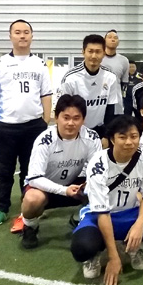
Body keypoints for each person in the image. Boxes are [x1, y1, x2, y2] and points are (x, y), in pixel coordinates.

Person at [70, 116, 143, 285]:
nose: (129, 142)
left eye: (134, 136)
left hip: (131, 213)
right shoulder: (98, 164)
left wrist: (139, 224)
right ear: (112, 139)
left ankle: (133, 248)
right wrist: (113, 258)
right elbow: (102, 212)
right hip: (99, 216)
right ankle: (95, 256)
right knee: (82, 248)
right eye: (122, 137)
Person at [0, 19, 52, 227]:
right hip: (6, 127)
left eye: (26, 32)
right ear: (10, 36)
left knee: (30, 170)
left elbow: (46, 94)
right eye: (17, 32)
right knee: (4, 170)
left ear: (32, 36)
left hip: (34, 126)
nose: (22, 36)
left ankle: (27, 207)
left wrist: (45, 121)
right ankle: (1, 208)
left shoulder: (40, 64)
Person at [20, 94, 102, 249]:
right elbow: (34, 178)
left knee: (101, 187)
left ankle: (82, 218)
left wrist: (87, 186)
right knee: (32, 199)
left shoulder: (92, 138)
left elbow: (98, 172)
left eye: (76, 118)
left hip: (72, 185)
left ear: (83, 120)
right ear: (56, 118)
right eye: (66, 117)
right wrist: (64, 190)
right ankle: (30, 226)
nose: (71, 123)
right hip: (45, 189)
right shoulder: (44, 140)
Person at [60, 34, 122, 139]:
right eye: (90, 51)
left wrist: (106, 136)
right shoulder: (70, 78)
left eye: (98, 52)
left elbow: (110, 110)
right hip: (76, 130)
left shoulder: (110, 77)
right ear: (83, 52)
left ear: (104, 53)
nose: (94, 56)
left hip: (100, 131)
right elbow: (64, 110)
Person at [101, 29, 129, 114]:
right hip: (99, 103)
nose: (113, 39)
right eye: (110, 37)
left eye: (115, 38)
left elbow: (124, 84)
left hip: (116, 104)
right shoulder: (98, 58)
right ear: (104, 40)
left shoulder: (124, 60)